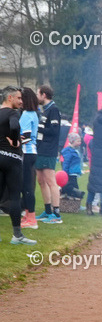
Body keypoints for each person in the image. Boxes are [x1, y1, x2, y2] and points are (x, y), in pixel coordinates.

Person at [0, 87, 36, 245]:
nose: (21, 102)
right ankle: (17, 235)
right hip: (12, 158)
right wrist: (15, 141)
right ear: (10, 98)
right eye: (19, 98)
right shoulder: (13, 113)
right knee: (15, 197)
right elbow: (14, 126)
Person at [35, 85, 62, 224]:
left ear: (44, 95)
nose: (36, 97)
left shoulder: (53, 110)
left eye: (37, 94)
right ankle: (47, 211)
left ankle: (56, 214)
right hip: (40, 149)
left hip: (48, 150)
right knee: (41, 180)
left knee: (51, 181)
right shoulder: (45, 110)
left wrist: (38, 129)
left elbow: (54, 131)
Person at [18, 88, 40, 229]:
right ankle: (27, 215)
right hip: (31, 152)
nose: (19, 101)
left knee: (27, 187)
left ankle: (31, 218)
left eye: (21, 98)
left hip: (27, 152)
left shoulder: (27, 114)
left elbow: (25, 137)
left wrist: (11, 141)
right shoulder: (33, 114)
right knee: (25, 186)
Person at [60, 133, 85, 200]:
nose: (80, 142)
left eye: (80, 141)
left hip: (74, 172)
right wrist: (65, 172)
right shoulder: (69, 151)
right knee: (73, 186)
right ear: (73, 141)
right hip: (71, 172)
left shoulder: (76, 150)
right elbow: (66, 162)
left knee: (72, 185)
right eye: (78, 141)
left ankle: (70, 196)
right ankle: (75, 197)